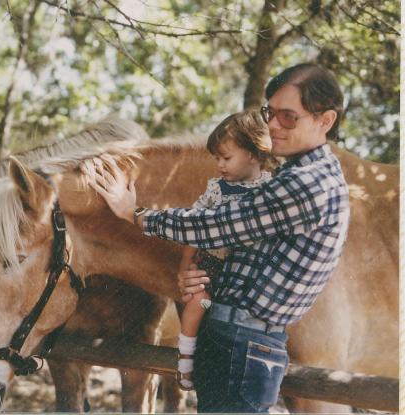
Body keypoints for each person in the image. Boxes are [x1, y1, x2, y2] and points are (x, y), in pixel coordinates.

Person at [89, 63, 350, 413]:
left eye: (288, 117)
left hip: (243, 342)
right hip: (240, 337)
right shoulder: (299, 174)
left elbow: (216, 225)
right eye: (269, 113)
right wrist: (194, 274)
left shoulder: (307, 184)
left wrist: (134, 214)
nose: (273, 125)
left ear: (325, 121)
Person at [175, 110, 275, 391]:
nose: (219, 165)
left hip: (246, 277)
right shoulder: (216, 190)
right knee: (200, 303)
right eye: (217, 158)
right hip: (211, 270)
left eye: (226, 158)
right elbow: (193, 226)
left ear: (253, 155)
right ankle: (185, 359)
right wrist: (186, 265)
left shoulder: (270, 189)